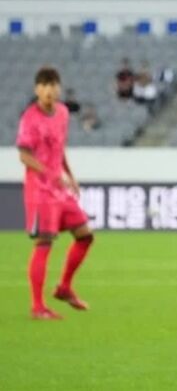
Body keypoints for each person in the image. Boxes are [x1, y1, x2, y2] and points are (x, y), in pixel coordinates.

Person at [17, 67, 94, 320]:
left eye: (53, 85)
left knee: (85, 236)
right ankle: (37, 306)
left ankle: (64, 288)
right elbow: (24, 155)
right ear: (37, 89)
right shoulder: (30, 118)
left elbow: (59, 148)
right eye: (44, 85)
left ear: (59, 88)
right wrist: (50, 174)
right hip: (40, 190)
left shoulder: (62, 113)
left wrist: (70, 176)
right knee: (44, 243)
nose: (49, 90)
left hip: (60, 189)